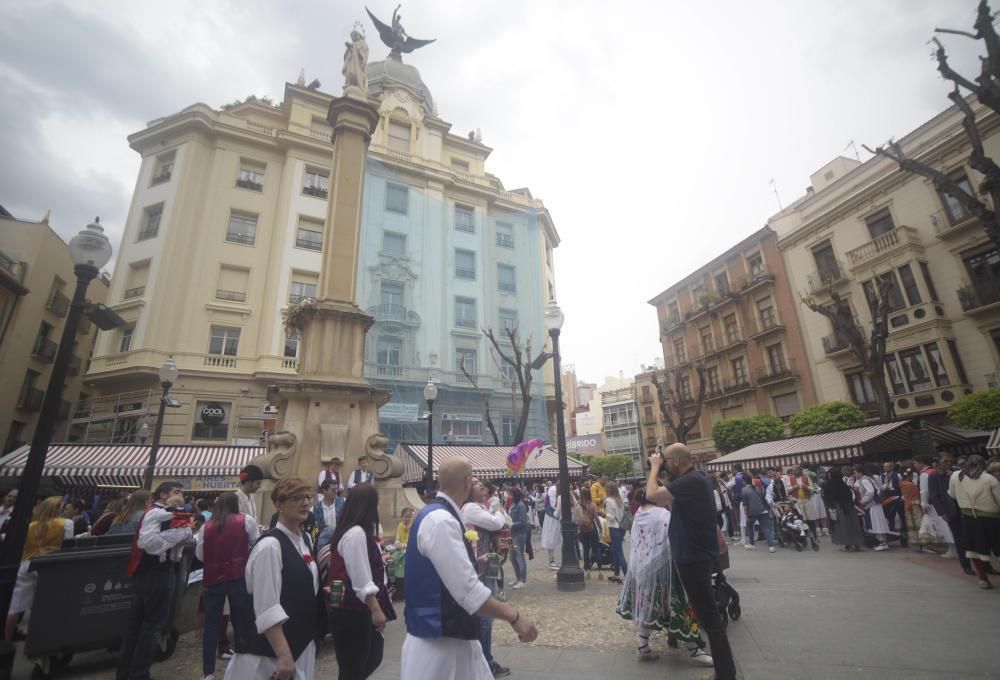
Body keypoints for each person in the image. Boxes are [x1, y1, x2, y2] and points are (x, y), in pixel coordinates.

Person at [402, 457, 537, 680]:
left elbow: (442, 576)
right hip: (442, 645)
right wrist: (515, 617)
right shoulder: (441, 521)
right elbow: (469, 593)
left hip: (447, 637)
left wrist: (475, 564)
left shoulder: (435, 515)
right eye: (474, 481)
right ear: (466, 482)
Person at [645, 445, 737, 680]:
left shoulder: (691, 482)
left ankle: (726, 674)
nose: (663, 462)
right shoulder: (695, 480)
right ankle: (723, 671)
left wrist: (655, 467)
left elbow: (651, 495)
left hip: (694, 558)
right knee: (708, 617)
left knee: (711, 621)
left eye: (665, 459)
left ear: (675, 461)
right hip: (698, 555)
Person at [224, 478, 319, 680]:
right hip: (269, 654)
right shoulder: (270, 546)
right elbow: (267, 605)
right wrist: (283, 655)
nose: (305, 503)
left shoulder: (305, 540)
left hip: (301, 644)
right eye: (297, 498)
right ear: (279, 504)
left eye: (308, 497)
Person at [615, 488, 713, 667]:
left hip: (640, 567)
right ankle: (694, 649)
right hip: (664, 568)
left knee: (647, 605)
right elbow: (674, 538)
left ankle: (643, 646)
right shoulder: (662, 515)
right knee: (680, 605)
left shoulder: (639, 514)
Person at [117, 481, 194, 680]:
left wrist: (181, 534)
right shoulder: (157, 514)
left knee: (138, 625)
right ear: (162, 495)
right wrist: (177, 536)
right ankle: (139, 673)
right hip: (156, 573)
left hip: (148, 573)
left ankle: (126, 672)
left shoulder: (171, 514)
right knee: (151, 626)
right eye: (176, 492)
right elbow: (149, 543)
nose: (181, 496)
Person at [326, 483, 396, 679]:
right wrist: (376, 609)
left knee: (363, 661)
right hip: (353, 609)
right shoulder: (355, 534)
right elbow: (360, 577)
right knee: (355, 666)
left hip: (350, 609)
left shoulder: (351, 531)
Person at [198, 492, 259, 680]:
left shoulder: (206, 527)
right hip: (237, 575)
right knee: (240, 621)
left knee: (211, 625)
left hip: (213, 578)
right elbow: (256, 543)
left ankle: (208, 671)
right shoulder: (246, 520)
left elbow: (200, 554)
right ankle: (243, 665)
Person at [462, 476, 511, 678]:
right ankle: (485, 663)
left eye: (480, 482)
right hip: (480, 568)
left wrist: (496, 509)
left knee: (485, 618)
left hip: (487, 564)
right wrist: (497, 509)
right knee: (484, 618)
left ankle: (483, 661)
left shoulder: (481, 506)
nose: (480, 484)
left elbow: (505, 521)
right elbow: (497, 523)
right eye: (474, 483)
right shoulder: (471, 508)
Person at [5, 497, 72, 641]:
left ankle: (6, 639)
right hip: (49, 565)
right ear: (59, 508)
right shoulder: (66, 523)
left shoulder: (30, 525)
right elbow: (67, 547)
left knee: (15, 606)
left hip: (26, 563)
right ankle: (38, 640)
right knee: (43, 605)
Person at [948, 455, 1000, 589]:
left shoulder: (955, 476)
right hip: (991, 518)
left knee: (974, 549)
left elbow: (952, 495)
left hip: (968, 518)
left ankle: (983, 579)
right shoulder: (989, 479)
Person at [822, 468, 864, 552]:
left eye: (830, 475)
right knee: (853, 526)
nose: (829, 476)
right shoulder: (843, 485)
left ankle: (847, 543)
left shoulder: (828, 485)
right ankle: (856, 544)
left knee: (843, 527)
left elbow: (827, 498)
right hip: (849, 508)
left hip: (838, 508)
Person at [857, 463, 890, 551]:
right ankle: (883, 541)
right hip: (875, 504)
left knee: (876, 523)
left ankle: (881, 542)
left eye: (855, 472)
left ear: (860, 472)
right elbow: (878, 489)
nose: (855, 474)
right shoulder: (870, 478)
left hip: (872, 504)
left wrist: (863, 501)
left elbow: (870, 492)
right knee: (879, 522)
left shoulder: (864, 480)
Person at [741, 471, 775, 552]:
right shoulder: (757, 488)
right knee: (765, 528)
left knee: (750, 527)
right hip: (762, 510)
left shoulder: (744, 490)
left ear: (744, 481)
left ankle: (752, 544)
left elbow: (745, 504)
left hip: (752, 512)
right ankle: (771, 546)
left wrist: (746, 515)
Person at [604, 481, 628, 583]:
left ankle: (627, 575)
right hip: (621, 527)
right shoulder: (619, 500)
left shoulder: (609, 500)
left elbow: (611, 517)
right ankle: (616, 574)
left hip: (614, 527)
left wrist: (603, 513)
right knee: (615, 550)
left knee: (618, 552)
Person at [507, 488, 529, 590]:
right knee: (512, 557)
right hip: (511, 534)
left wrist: (511, 524)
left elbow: (523, 522)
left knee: (520, 557)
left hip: (519, 534)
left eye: (510, 494)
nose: (508, 496)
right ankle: (518, 577)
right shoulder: (513, 505)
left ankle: (523, 580)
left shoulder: (521, 505)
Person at [899, 462, 924, 550]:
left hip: (907, 505)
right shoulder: (910, 484)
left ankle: (915, 542)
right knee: (918, 524)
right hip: (915, 505)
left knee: (911, 525)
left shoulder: (902, 483)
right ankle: (923, 543)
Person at [881, 462, 906, 546]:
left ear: (892, 467)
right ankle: (891, 532)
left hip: (897, 496)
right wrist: (885, 485)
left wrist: (902, 496)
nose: (886, 469)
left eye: (888, 467)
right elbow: (882, 488)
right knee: (889, 515)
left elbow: (902, 486)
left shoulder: (897, 475)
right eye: (885, 467)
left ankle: (904, 533)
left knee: (901, 514)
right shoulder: (882, 476)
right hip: (887, 497)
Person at [577, 487, 599, 573]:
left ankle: (587, 566)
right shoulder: (592, 504)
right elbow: (596, 517)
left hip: (582, 528)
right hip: (591, 526)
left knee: (585, 548)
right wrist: (600, 527)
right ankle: (599, 565)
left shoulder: (579, 504)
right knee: (595, 547)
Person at [540, 480, 562, 569]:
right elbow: (553, 506)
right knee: (551, 539)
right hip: (552, 517)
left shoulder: (556, 490)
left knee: (559, 539)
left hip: (556, 517)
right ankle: (551, 561)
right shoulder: (553, 489)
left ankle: (556, 561)